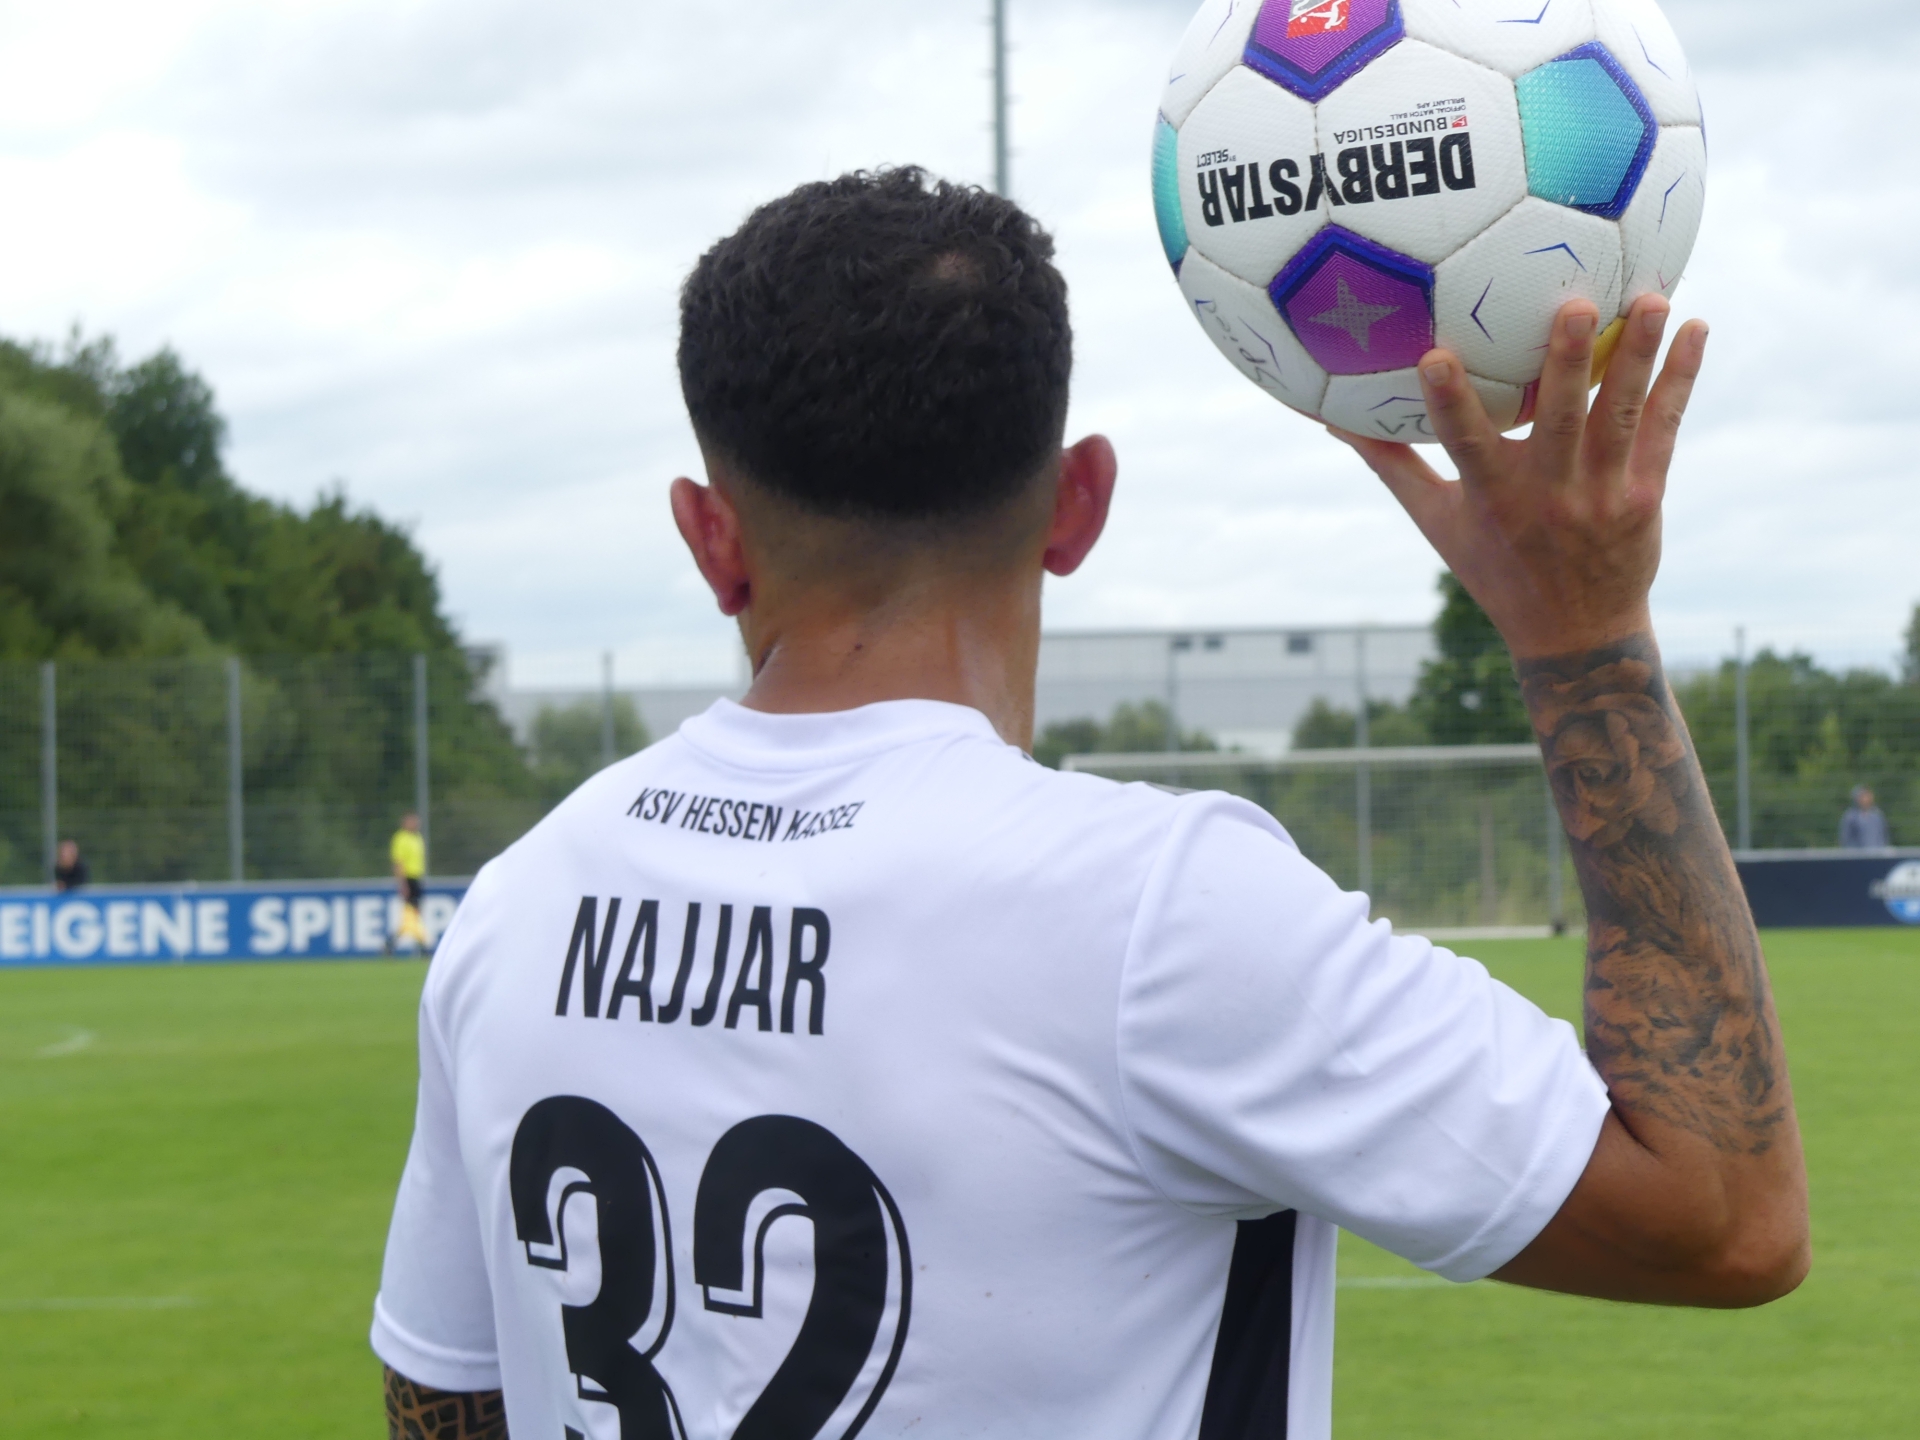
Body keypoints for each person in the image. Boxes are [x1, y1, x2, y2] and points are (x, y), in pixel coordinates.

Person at [371, 169, 1807, 1440]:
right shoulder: (1162, 916)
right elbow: (1725, 1218)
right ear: (1080, 505)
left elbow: (444, 1395)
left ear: (709, 537)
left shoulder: (516, 910)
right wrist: (1582, 633)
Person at [388, 813, 431, 953]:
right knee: (411, 916)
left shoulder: (418, 838)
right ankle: (421, 946)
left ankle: (393, 944)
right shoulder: (401, 838)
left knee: (414, 916)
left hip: (417, 879)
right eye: (412, 821)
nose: (416, 824)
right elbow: (398, 862)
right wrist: (402, 884)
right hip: (408, 879)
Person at [1839, 785, 1891, 849]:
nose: (1866, 799)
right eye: (1863, 796)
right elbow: (1845, 838)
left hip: (1877, 852)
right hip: (1857, 853)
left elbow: (1884, 835)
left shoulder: (1877, 815)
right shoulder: (1850, 816)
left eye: (1867, 796)